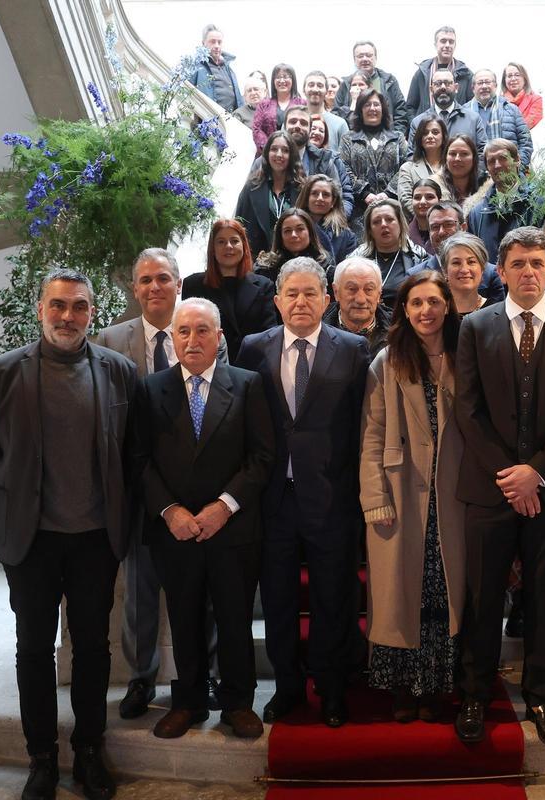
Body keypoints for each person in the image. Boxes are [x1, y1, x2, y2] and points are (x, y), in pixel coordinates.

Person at [0, 268, 138, 800]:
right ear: (41, 309)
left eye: (79, 307)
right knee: (34, 650)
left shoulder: (118, 371)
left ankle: (89, 750)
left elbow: (131, 452)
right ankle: (40, 757)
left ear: (93, 312)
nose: (68, 316)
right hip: (31, 541)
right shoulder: (1, 371)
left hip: (94, 539)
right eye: (58, 305)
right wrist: (17, 501)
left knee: (92, 648)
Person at [452, 227, 545, 749]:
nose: (530, 272)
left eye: (538, 262)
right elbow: (466, 409)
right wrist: (511, 478)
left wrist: (535, 471)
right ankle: (474, 695)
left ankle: (540, 696)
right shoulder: (474, 326)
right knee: (482, 597)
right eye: (519, 264)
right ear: (503, 271)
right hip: (490, 490)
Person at [237, 258, 372, 729]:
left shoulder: (354, 349)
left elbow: (363, 425)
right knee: (276, 600)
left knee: (333, 600)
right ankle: (288, 689)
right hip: (273, 500)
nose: (300, 302)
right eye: (291, 293)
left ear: (326, 300)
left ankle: (331, 689)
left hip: (333, 498)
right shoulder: (253, 348)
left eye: (310, 293)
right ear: (277, 301)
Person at [135, 298, 274, 741]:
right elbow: (139, 460)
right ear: (172, 339)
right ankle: (189, 703)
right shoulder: (151, 388)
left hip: (232, 528)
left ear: (219, 337)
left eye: (202, 331)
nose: (192, 340)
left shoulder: (248, 385)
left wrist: (224, 506)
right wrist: (170, 511)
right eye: (183, 331)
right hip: (174, 530)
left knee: (234, 619)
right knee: (184, 616)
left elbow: (261, 456)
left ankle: (237, 704)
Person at [93, 249, 217, 724]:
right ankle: (141, 677)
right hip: (139, 489)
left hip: (199, 488)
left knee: (202, 591)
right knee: (141, 592)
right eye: (145, 280)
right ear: (135, 288)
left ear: (178, 283)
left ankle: (201, 674)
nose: (154, 287)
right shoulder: (109, 341)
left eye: (163, 278)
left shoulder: (203, 331)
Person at [360, 270, 466, 723]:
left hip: (455, 494)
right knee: (401, 592)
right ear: (404, 309)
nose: (426, 311)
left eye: (434, 302)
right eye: (416, 303)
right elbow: (371, 435)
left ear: (447, 307)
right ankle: (403, 687)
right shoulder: (387, 361)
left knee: (443, 591)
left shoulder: (467, 355)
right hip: (400, 493)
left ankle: (438, 685)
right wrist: (375, 496)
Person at [181, 218, 278, 362]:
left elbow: (270, 335)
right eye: (221, 242)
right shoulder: (193, 285)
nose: (228, 246)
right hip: (208, 367)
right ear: (212, 249)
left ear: (244, 246)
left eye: (234, 241)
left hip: (253, 370)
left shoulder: (265, 286)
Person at [337, 90, 411, 229]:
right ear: (360, 109)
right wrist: (365, 194)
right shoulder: (348, 138)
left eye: (376, 104)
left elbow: (406, 167)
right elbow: (344, 168)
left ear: (383, 109)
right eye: (367, 105)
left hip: (393, 209)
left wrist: (388, 193)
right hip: (359, 213)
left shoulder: (397, 137)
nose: (372, 108)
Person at [266, 106, 354, 217]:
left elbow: (337, 201)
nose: (297, 126)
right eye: (293, 122)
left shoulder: (325, 161)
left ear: (309, 128)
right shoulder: (266, 161)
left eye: (303, 123)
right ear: (284, 127)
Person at [413, 201, 505, 304]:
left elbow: (498, 315)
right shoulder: (415, 275)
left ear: (463, 227)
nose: (441, 231)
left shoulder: (491, 273)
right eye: (435, 227)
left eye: (448, 224)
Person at [467, 138, 542, 262]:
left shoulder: (538, 203)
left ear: (517, 160)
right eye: (491, 161)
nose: (497, 165)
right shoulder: (477, 214)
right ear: (487, 169)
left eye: (503, 158)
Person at [234, 130, 303, 256]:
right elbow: (239, 225)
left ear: (292, 155)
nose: (279, 154)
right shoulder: (251, 188)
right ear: (267, 153)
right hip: (257, 261)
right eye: (274, 149)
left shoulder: (301, 188)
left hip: (293, 260)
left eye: (285, 150)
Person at [349, 198, 427, 307]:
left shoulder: (419, 257)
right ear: (370, 230)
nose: (384, 225)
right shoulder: (355, 260)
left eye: (389, 219)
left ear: (400, 224)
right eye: (376, 222)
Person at [334, 41, 409, 135]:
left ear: (375, 58)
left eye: (369, 55)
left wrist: (397, 136)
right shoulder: (346, 83)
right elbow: (336, 114)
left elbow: (400, 111)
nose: (365, 59)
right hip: (353, 139)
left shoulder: (389, 80)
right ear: (354, 59)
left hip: (387, 137)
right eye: (360, 56)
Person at [407, 68, 487, 155]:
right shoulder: (418, 122)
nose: (443, 87)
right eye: (438, 84)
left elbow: (482, 153)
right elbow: (412, 157)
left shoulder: (473, 119)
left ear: (456, 88)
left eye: (447, 83)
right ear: (431, 90)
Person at [322, 256, 391, 356]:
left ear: (379, 294)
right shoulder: (316, 328)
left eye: (369, 289)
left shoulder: (399, 330)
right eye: (352, 289)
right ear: (336, 292)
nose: (360, 300)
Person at [465, 69, 533, 168]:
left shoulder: (511, 109)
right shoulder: (463, 113)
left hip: (509, 172)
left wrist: (518, 168)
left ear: (495, 85)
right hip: (475, 177)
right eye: (480, 83)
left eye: (488, 82)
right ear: (473, 88)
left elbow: (526, 142)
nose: (484, 86)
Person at [407, 26, 474, 121]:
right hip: (427, 131)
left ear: (455, 45)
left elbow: (472, 106)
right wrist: (418, 127)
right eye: (443, 41)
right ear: (435, 44)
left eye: (451, 42)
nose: (447, 45)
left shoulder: (465, 74)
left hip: (457, 130)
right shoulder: (422, 73)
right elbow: (410, 106)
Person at [252, 208, 332, 286]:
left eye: (300, 229)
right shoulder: (265, 268)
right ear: (280, 236)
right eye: (287, 231)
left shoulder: (325, 266)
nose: (294, 235)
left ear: (310, 233)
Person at [389, 117, 447, 219]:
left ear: (443, 137)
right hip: (418, 226)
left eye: (435, 132)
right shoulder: (407, 168)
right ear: (420, 138)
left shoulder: (452, 166)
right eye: (425, 133)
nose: (430, 136)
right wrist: (429, 220)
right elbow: (405, 200)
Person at [296, 173, 359, 265]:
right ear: (306, 199)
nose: (320, 198)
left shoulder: (347, 237)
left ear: (333, 201)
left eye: (325, 194)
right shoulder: (293, 228)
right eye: (314, 193)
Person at [252, 63, 305, 155]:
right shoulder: (264, 104)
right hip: (267, 155)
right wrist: (271, 149)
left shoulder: (302, 104)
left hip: (295, 155)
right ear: (273, 81)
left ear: (293, 80)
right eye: (278, 77)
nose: (282, 80)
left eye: (286, 77)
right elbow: (256, 129)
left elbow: (306, 128)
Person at [189, 25, 243, 114]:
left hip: (231, 121)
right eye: (212, 42)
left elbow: (239, 100)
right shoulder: (195, 66)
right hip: (208, 121)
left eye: (219, 42)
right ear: (203, 44)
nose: (217, 46)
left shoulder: (229, 69)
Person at [439, 232, 491, 315]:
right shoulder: (435, 313)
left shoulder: (497, 313)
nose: (464, 269)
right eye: (456, 263)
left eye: (471, 262)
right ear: (445, 270)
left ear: (482, 268)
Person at [304, 71, 349, 152]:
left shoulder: (340, 124)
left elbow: (346, 161)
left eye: (320, 86)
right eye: (311, 85)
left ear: (326, 91)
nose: (315, 89)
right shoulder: (293, 121)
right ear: (304, 90)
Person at [443, 133, 481, 208]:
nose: (457, 159)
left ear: (474, 158)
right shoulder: (433, 188)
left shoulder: (487, 188)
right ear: (445, 158)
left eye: (464, 154)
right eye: (453, 154)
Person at [406, 177, 444, 252]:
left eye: (429, 197)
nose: (422, 202)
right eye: (417, 198)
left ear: (440, 201)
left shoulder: (449, 232)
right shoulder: (404, 235)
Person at [502, 62, 543, 129]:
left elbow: (527, 125)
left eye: (517, 75)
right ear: (504, 81)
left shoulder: (536, 99)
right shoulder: (498, 102)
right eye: (509, 76)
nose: (513, 79)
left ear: (525, 78)